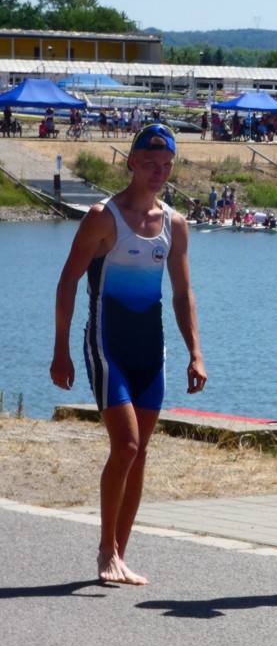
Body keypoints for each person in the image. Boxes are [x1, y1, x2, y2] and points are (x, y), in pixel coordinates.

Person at [50, 123, 207, 586]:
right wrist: (61, 350)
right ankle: (105, 551)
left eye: (167, 165)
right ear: (132, 163)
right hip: (107, 346)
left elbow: (182, 293)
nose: (159, 172)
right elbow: (68, 281)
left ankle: (120, 553)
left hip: (150, 350)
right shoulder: (104, 218)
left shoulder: (174, 224)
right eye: (150, 164)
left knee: (140, 454)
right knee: (127, 445)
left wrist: (196, 352)